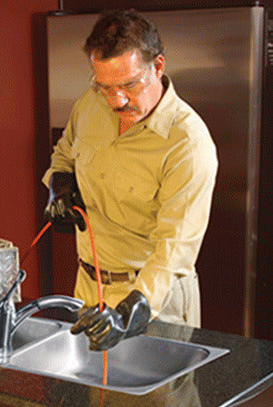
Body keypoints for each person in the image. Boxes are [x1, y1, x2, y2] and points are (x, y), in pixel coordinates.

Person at [43, 9, 218, 351]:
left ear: (158, 67)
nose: (116, 100)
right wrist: (60, 185)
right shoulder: (90, 107)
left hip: (153, 300)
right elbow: (63, 154)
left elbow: (175, 249)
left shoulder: (187, 143)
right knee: (98, 394)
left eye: (128, 85)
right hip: (88, 289)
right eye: (104, 86)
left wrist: (130, 312)